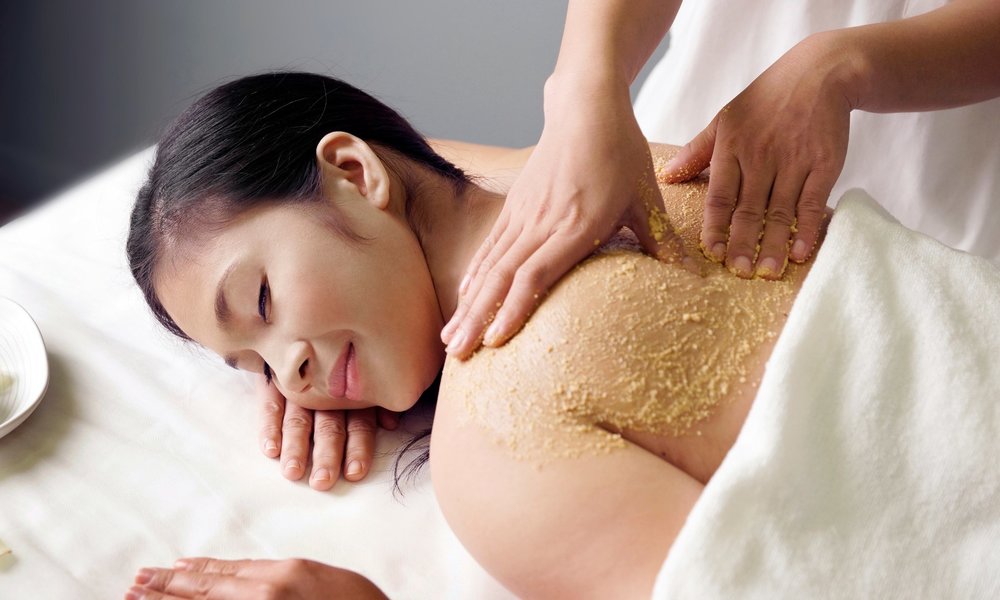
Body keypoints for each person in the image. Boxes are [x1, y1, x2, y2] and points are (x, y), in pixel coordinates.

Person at [123, 72, 828, 598]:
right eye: (257, 370)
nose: (289, 375)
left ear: (353, 171)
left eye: (263, 298)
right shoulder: (644, 163)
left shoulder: (495, 442)